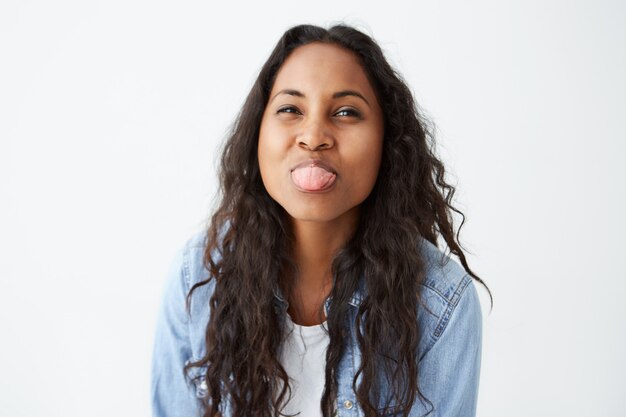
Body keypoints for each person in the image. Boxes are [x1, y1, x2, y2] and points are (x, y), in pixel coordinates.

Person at [151, 23, 490, 417]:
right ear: (257, 133)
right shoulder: (198, 277)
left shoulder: (439, 304)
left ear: (388, 141)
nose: (314, 136)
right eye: (290, 109)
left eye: (346, 112)